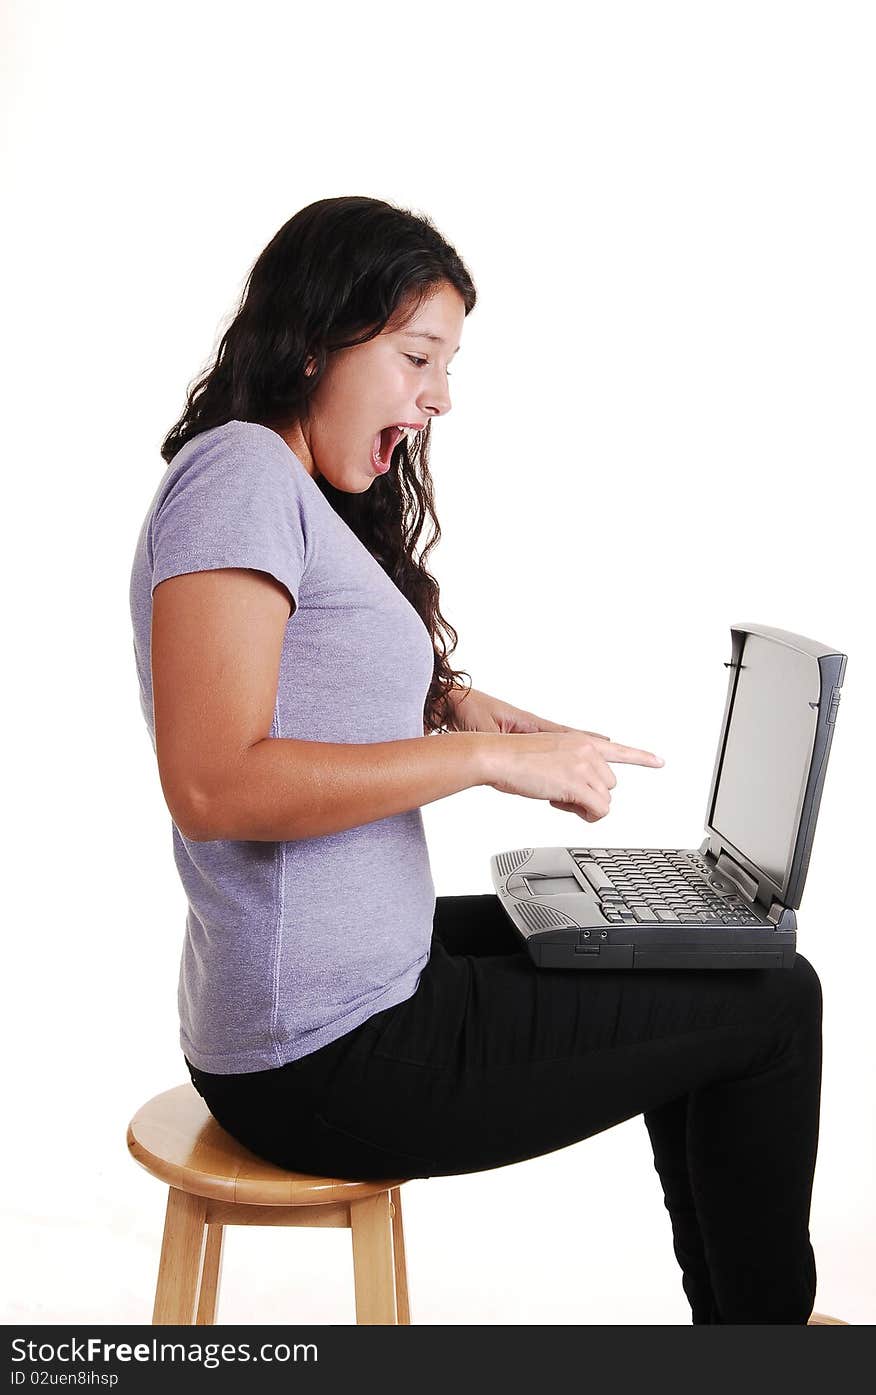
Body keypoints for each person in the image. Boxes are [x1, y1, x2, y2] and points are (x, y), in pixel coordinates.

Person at [129, 195, 822, 1324]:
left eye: (446, 364)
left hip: (346, 995)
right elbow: (214, 784)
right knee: (773, 999)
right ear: (314, 338)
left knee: (677, 956)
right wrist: (484, 768)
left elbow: (309, 674)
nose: (438, 395)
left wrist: (465, 710)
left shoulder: (283, 484)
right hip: (324, 1057)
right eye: (415, 357)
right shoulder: (240, 475)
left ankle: (735, 1333)